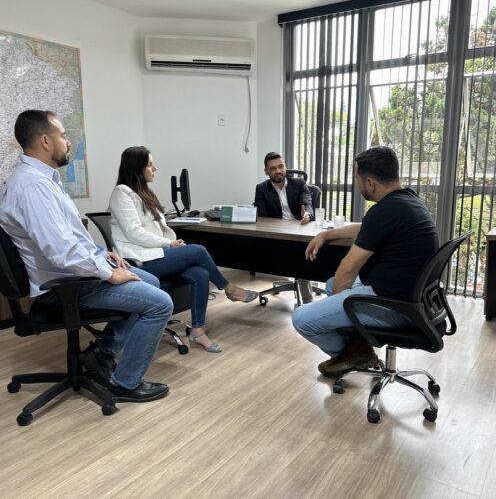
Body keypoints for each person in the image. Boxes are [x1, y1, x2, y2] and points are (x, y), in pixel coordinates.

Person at [0, 110, 173, 402]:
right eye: (63, 135)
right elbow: (60, 252)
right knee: (160, 304)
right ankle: (126, 383)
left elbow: (66, 239)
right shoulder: (33, 187)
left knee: (151, 282)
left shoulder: (42, 180)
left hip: (74, 274)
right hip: (65, 286)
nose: (68, 142)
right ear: (45, 140)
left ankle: (101, 354)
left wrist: (101, 253)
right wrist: (107, 272)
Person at [292, 146, 439, 378]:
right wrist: (325, 235)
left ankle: (353, 353)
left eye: (358, 180)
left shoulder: (385, 210)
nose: (359, 185)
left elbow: (348, 269)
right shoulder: (408, 200)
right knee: (332, 285)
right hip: (411, 299)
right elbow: (366, 229)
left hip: (395, 306)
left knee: (301, 318)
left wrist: (341, 302)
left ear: (370, 183)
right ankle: (358, 347)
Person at [108, 146, 259, 353]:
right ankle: (229, 288)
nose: (155, 168)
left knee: (200, 273)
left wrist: (172, 242)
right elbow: (135, 233)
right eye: (150, 165)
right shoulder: (122, 193)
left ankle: (197, 331)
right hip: (139, 261)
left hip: (156, 254)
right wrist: (168, 244)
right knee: (198, 251)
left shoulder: (144, 193)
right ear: (137, 167)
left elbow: (156, 228)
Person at [254, 151, 315, 303]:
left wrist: (306, 213)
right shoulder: (261, 188)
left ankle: (307, 300)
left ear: (285, 167)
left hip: (300, 230)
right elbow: (261, 215)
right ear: (266, 171)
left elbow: (307, 202)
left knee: (301, 254)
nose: (278, 171)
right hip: (278, 234)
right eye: (273, 168)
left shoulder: (299, 184)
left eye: (281, 166)